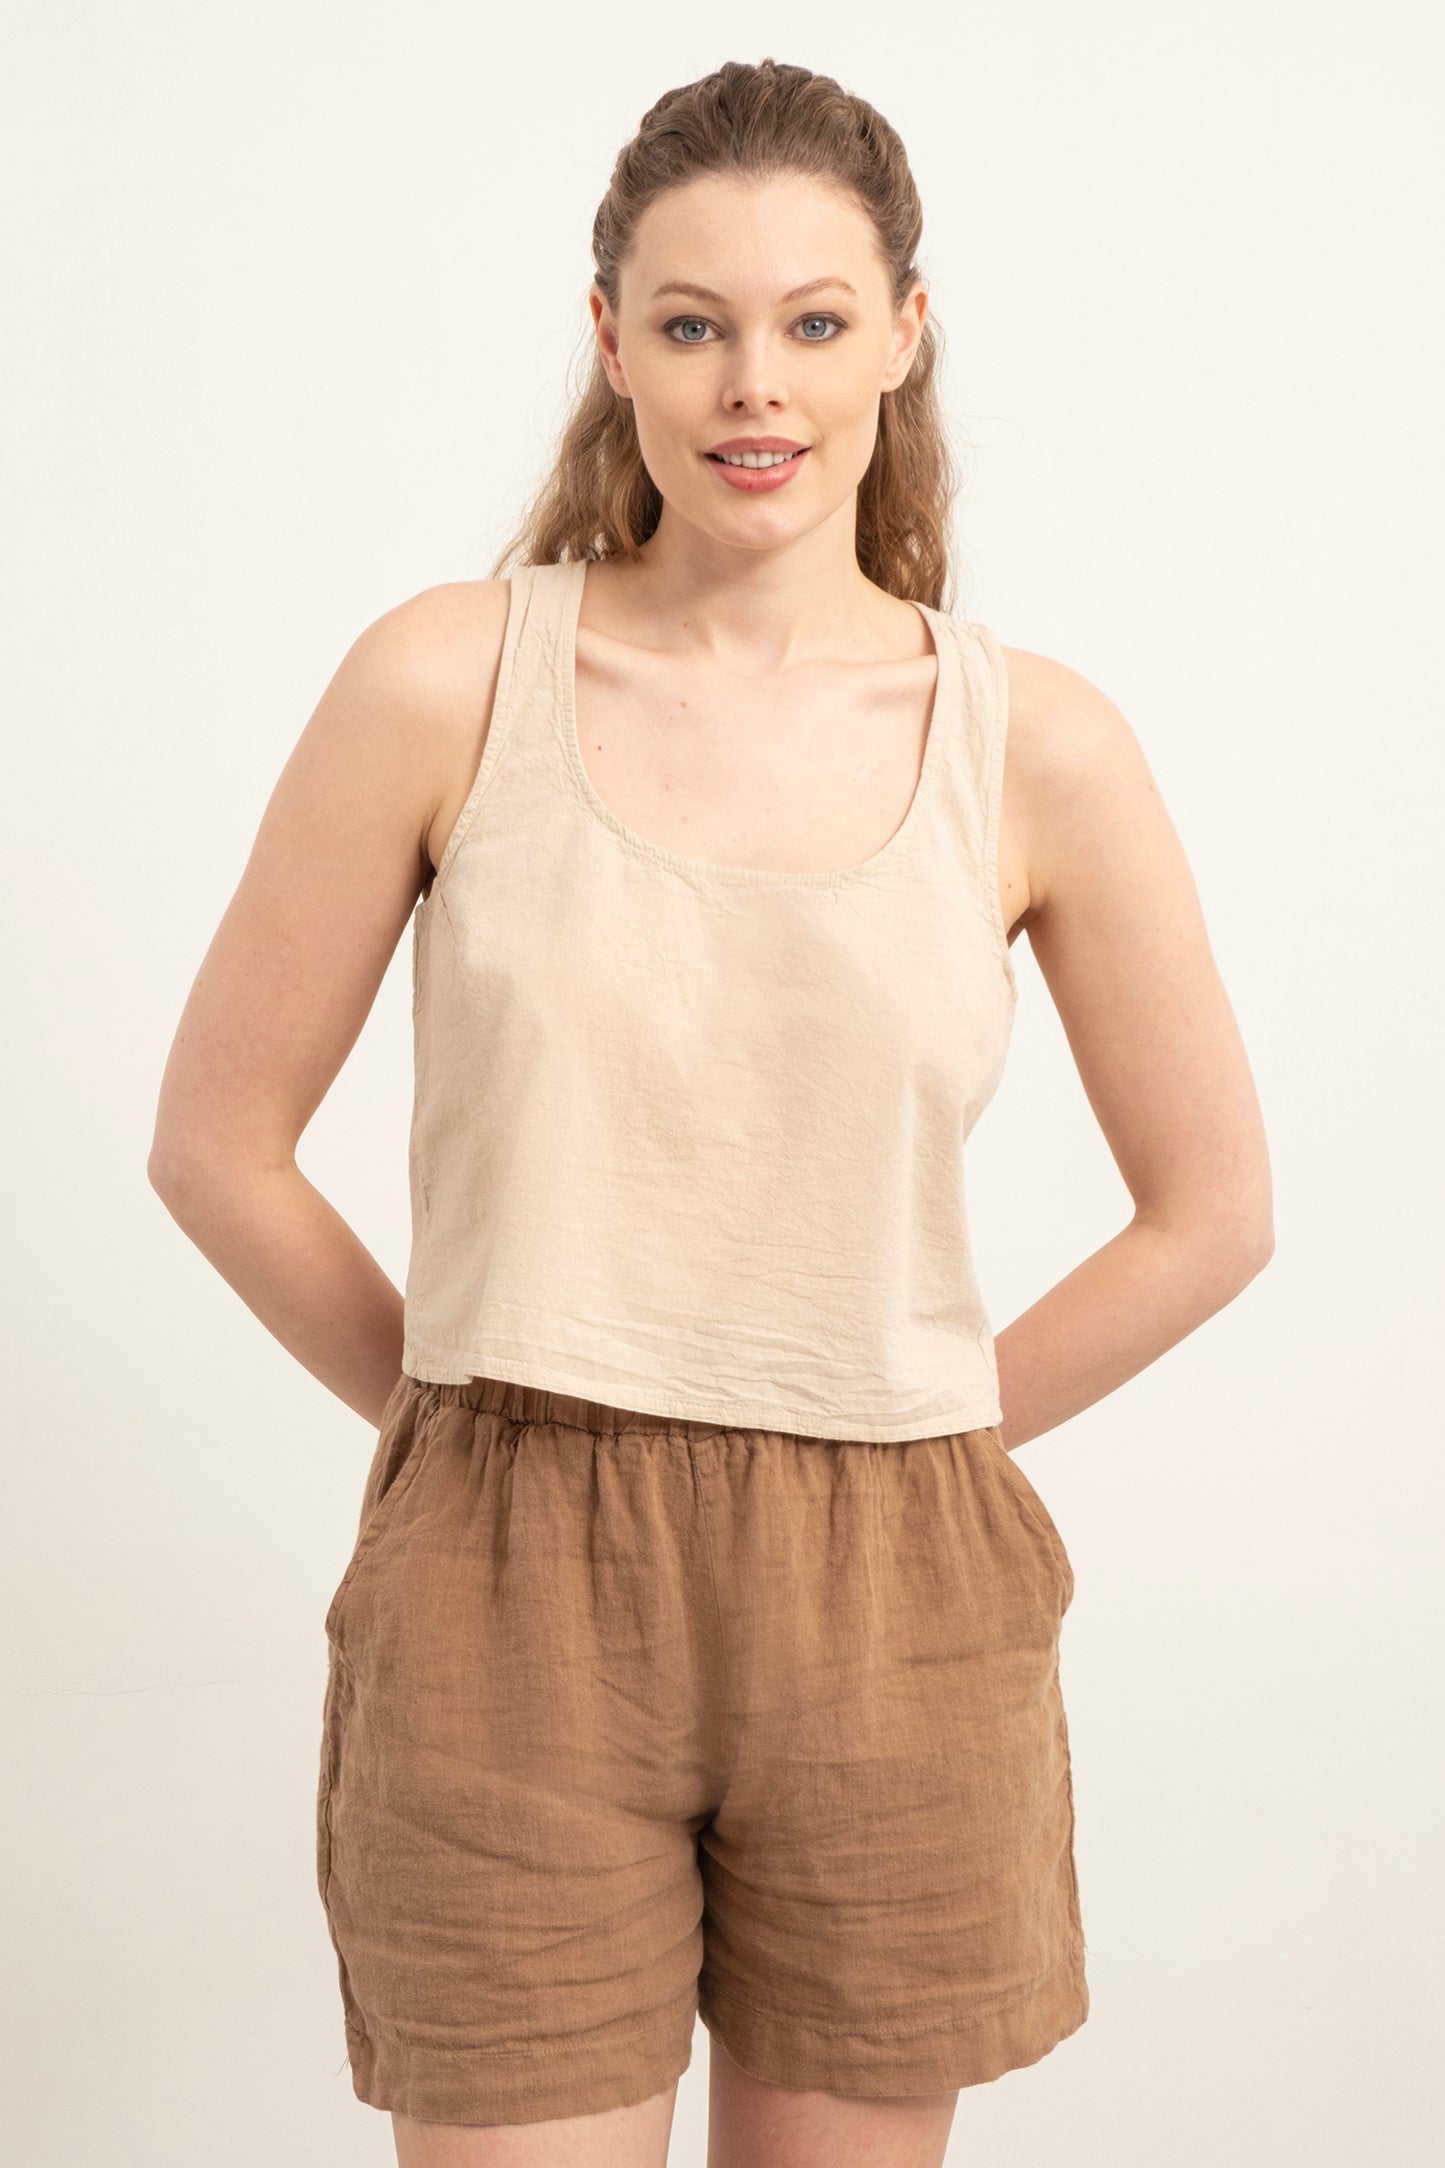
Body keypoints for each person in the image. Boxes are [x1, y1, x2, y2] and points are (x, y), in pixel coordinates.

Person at [147, 55, 1273, 2168]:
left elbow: (1213, 1208)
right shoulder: (447, 679)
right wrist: (458, 1422)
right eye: (695, 322)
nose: (758, 383)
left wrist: (918, 1421)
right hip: (505, 1576)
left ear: (903, 335)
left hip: (897, 1592)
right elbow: (215, 1138)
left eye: (815, 319)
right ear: (613, 342)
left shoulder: (1041, 749)